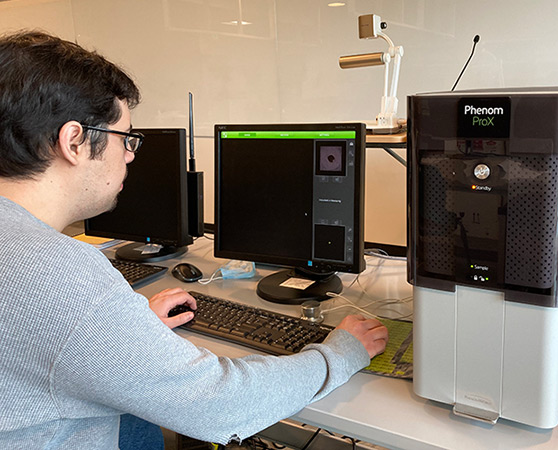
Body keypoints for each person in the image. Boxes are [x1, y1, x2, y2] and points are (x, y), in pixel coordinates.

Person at [0, 31, 389, 449]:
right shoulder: (63, 276)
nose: (131, 155)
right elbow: (220, 403)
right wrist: (342, 353)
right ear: (74, 141)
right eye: (126, 138)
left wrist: (126, 331)